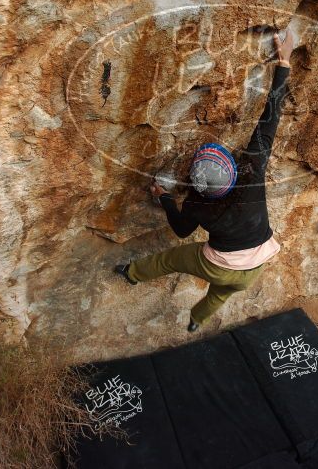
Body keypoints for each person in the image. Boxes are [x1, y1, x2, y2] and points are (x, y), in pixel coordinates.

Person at [115, 29, 295, 332]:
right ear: (233, 171)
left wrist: (165, 198)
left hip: (218, 265)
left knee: (169, 260)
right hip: (254, 268)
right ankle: (197, 320)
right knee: (222, 292)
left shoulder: (198, 204)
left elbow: (183, 231)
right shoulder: (252, 174)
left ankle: (131, 273)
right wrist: (284, 63)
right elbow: (270, 119)